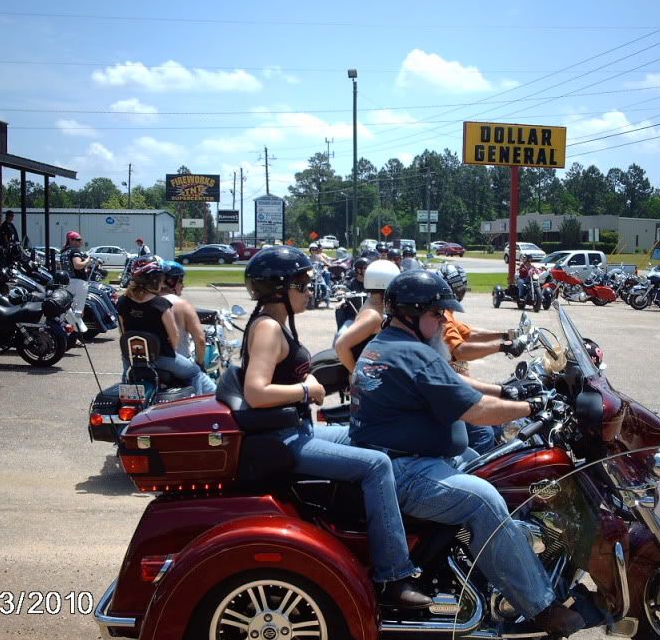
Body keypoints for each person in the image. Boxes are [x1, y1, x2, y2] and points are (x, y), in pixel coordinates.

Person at [349, 270, 588, 638]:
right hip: (409, 471)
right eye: (437, 313)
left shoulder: (388, 345)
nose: (445, 320)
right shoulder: (412, 353)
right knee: (484, 499)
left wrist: (509, 392)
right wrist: (533, 407)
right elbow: (475, 412)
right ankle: (541, 606)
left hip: (409, 461)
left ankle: (505, 560)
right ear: (413, 313)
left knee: (504, 466)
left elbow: (452, 382)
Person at [240, 246, 429, 608]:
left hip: (295, 430)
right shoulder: (267, 327)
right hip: (285, 439)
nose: (310, 290)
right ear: (280, 288)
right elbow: (256, 391)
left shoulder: (275, 322)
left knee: (371, 435)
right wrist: (306, 388)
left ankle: (368, 527)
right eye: (302, 283)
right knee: (376, 465)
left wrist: (306, 378)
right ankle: (393, 575)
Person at [437, 263, 525, 454]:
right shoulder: (441, 316)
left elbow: (469, 333)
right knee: (484, 434)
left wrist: (507, 335)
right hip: (453, 391)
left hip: (461, 386)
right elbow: (460, 350)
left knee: (496, 424)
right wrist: (501, 346)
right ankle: (475, 479)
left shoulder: (445, 313)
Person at [116, 260, 216, 395]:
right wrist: (171, 350)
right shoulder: (160, 304)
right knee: (195, 372)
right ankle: (195, 406)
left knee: (127, 376)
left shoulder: (122, 301)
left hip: (131, 359)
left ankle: (127, 391)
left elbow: (123, 332)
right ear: (155, 280)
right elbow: (174, 336)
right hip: (161, 358)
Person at [334, 260, 399, 372]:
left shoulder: (374, 304)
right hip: (367, 379)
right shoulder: (372, 315)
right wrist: (356, 374)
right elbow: (341, 346)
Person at [159, 261, 207, 370]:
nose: (183, 285)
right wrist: (199, 363)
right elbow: (200, 340)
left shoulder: (149, 302)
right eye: (180, 281)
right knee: (210, 387)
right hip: (178, 365)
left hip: (153, 364)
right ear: (171, 282)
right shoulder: (183, 305)